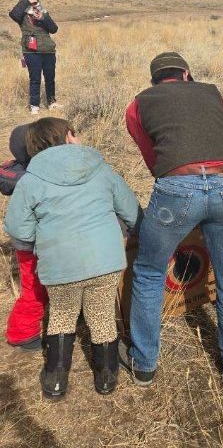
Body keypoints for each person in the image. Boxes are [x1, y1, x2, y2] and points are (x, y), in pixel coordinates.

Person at [121, 52, 223, 385]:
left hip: (177, 186)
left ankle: (144, 364)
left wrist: (183, 192)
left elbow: (154, 159)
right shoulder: (214, 93)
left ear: (154, 80)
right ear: (187, 74)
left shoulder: (138, 104)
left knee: (149, 272)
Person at [4, 117, 142, 399]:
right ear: (68, 136)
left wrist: (39, 239)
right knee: (102, 314)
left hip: (58, 265)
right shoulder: (102, 169)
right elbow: (132, 212)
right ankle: (106, 378)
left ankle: (55, 379)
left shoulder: (31, 180)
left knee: (62, 316)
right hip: (105, 261)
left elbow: (17, 227)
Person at [0, 124, 48, 351]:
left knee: (34, 285)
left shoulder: (15, 172)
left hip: (24, 243)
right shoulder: (38, 177)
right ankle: (22, 333)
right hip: (36, 243)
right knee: (34, 289)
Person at [9, 0, 60, 114]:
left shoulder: (42, 11)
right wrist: (26, 1)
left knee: (50, 78)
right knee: (35, 79)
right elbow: (13, 14)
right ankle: (34, 105)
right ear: (25, 0)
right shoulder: (22, 14)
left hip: (48, 50)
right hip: (31, 52)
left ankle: (52, 102)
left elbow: (54, 29)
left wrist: (43, 17)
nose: (33, 2)